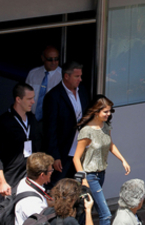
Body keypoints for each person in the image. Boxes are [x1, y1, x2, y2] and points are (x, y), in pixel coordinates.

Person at [73, 95, 130, 225]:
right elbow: (76, 158)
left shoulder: (106, 126)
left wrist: (123, 160)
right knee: (105, 213)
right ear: (96, 111)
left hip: (101, 174)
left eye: (110, 111)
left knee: (85, 209)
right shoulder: (86, 131)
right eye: (105, 111)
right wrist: (83, 178)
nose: (108, 114)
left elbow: (110, 144)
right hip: (89, 176)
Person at [43, 61, 89, 189]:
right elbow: (50, 130)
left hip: (80, 149)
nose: (80, 79)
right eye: (77, 76)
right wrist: (55, 156)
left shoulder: (82, 91)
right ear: (66, 76)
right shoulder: (53, 96)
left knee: (77, 185)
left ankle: (76, 209)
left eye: (80, 76)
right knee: (57, 185)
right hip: (63, 151)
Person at [0, 83, 41, 196]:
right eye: (29, 99)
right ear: (18, 99)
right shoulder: (5, 122)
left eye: (33, 98)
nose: (33, 102)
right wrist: (2, 182)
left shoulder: (32, 119)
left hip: (29, 176)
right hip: (10, 178)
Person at [14, 153, 54, 225]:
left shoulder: (24, 181)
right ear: (42, 175)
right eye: (51, 171)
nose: (51, 173)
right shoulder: (32, 202)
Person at [25, 46, 62, 121]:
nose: (53, 62)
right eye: (50, 59)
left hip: (53, 120)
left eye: (56, 59)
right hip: (32, 118)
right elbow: (25, 96)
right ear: (43, 58)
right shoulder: (33, 73)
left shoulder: (63, 76)